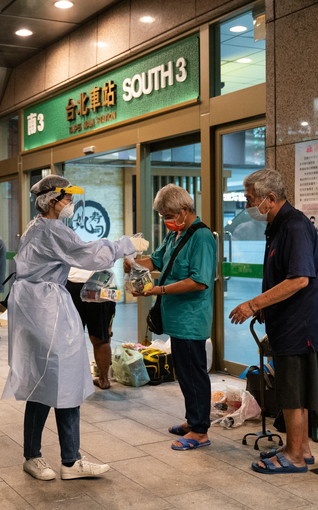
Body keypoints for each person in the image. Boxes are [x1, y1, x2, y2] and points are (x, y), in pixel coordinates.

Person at [3, 174, 144, 481]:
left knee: (55, 381)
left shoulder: (40, 227)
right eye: (66, 198)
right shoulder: (51, 230)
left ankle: (67, 459)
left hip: (41, 305)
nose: (71, 203)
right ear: (50, 201)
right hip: (45, 308)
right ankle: (44, 457)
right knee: (48, 381)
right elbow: (88, 254)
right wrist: (125, 245)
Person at [229, 168, 318, 475]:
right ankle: (299, 448)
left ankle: (296, 456)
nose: (248, 205)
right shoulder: (278, 225)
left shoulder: (294, 225)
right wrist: (266, 307)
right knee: (294, 391)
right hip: (291, 322)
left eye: (250, 199)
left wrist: (254, 304)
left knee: (293, 391)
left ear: (270, 199)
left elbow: (300, 279)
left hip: (300, 325)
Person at [124, 183, 217, 452]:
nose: (165, 221)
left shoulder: (201, 237)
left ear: (185, 210)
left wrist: (158, 289)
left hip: (191, 318)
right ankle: (193, 420)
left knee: (194, 374)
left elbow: (199, 281)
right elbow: (156, 260)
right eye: (162, 216)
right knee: (185, 374)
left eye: (168, 215)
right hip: (175, 317)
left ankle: (200, 431)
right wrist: (133, 261)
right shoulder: (175, 236)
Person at [65, 268, 115, 390]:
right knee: (101, 337)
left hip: (73, 282)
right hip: (101, 281)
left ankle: (73, 381)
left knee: (72, 337)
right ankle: (104, 380)